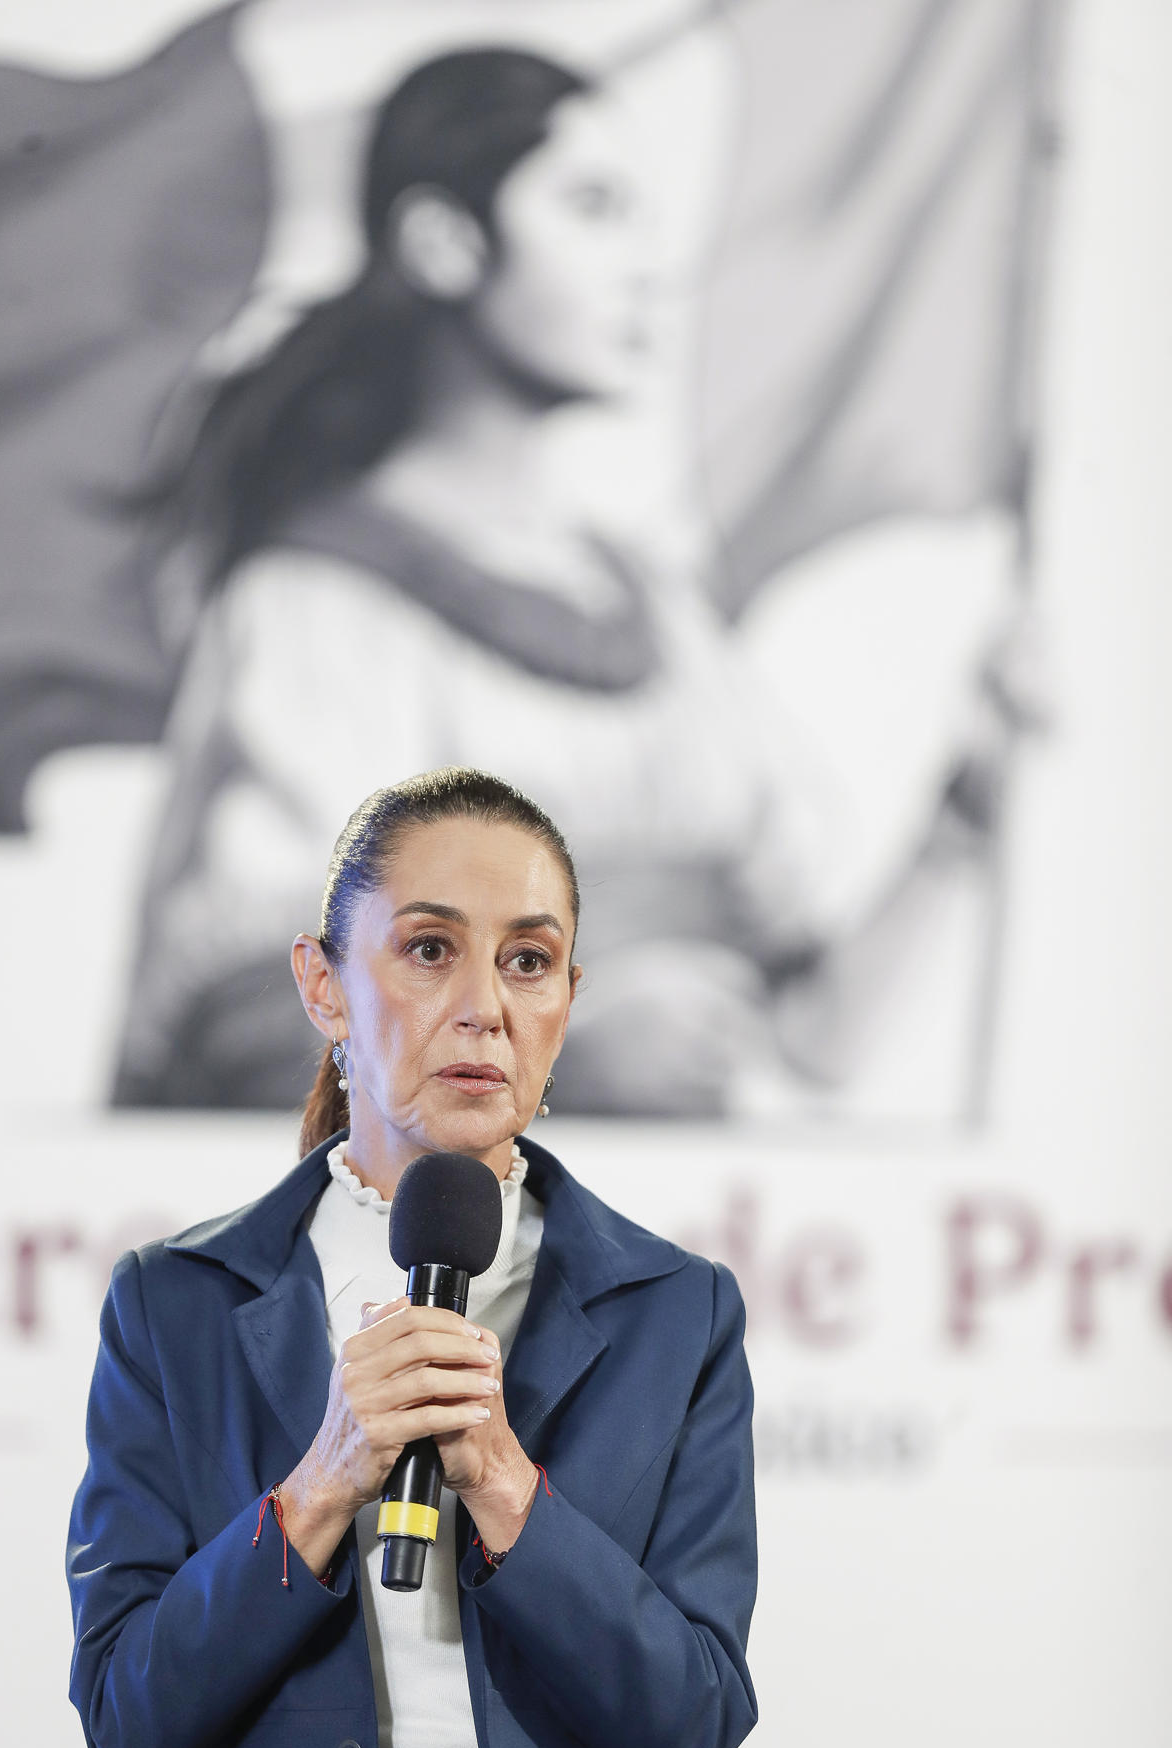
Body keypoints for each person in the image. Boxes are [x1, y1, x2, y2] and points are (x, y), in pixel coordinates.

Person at [111, 42, 995, 1122]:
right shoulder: (313, 612)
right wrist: (555, 1046)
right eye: (590, 206)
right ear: (444, 243)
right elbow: (251, 1041)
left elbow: (803, 1037)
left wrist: (963, 815)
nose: (644, 264)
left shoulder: (664, 629)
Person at [67, 766, 758, 1748]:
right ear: (323, 984)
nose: (484, 1005)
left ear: (566, 1003)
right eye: (430, 949)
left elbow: (685, 1724)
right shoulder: (174, 1304)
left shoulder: (671, 1310)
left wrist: (499, 1480)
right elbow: (130, 1727)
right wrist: (322, 1481)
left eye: (527, 961)